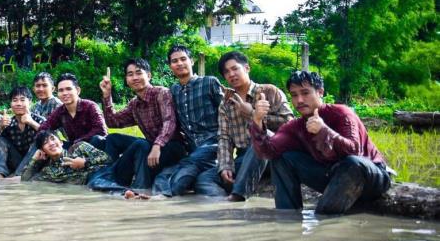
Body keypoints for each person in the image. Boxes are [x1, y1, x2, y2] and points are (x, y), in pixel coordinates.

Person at [250, 71, 391, 214]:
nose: (299, 100)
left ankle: (323, 218)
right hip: (332, 176)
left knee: (352, 163)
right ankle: (288, 217)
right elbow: (267, 152)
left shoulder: (342, 113)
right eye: (294, 95)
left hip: (370, 177)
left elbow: (354, 151)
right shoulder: (295, 127)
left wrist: (324, 130)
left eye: (305, 93)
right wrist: (257, 121)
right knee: (281, 158)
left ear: (320, 92)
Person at [195, 51, 293, 201]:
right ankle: (220, 203)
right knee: (204, 178)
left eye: (235, 68)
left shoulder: (269, 91)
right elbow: (224, 138)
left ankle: (238, 195)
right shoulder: (226, 104)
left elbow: (290, 123)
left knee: (261, 137)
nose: (231, 74)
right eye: (226, 72)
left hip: (275, 154)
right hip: (244, 158)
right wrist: (225, 166)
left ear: (247, 68)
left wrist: (253, 114)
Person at [88, 59, 187, 196]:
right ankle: (109, 179)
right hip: (150, 146)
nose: (135, 78)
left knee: (141, 145)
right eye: (130, 74)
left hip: (173, 147)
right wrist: (107, 95)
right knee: (113, 139)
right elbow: (113, 122)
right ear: (126, 80)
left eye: (139, 73)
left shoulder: (161, 93)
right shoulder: (134, 104)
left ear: (149, 75)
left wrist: (157, 145)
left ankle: (141, 189)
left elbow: (169, 121)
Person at [151, 45, 224, 198]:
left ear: (192, 61)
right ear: (170, 66)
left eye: (183, 59)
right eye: (174, 61)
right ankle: (154, 199)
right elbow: (169, 120)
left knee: (189, 164)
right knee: (163, 175)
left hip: (214, 145)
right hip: (192, 150)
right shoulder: (174, 90)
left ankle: (163, 198)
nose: (179, 63)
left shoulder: (209, 82)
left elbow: (227, 115)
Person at [25, 73, 107, 150]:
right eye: (61, 90)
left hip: (94, 148)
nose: (64, 93)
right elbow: (44, 128)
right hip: (73, 148)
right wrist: (42, 147)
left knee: (97, 139)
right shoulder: (60, 111)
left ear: (78, 90)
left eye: (68, 89)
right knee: (51, 146)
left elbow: (101, 130)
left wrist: (79, 142)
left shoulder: (90, 106)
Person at [0, 86, 44, 178]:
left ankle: (18, 176)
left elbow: (51, 137)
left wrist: (31, 122)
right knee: (0, 140)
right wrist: (0, 127)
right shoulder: (9, 123)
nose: (19, 104)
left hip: (36, 162)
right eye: (15, 100)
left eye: (22, 100)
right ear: (11, 104)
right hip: (17, 162)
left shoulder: (38, 120)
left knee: (38, 141)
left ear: (30, 102)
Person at [21, 130, 111, 185]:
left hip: (101, 178)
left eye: (53, 139)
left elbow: (107, 158)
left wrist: (85, 163)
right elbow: (25, 180)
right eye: (45, 143)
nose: (51, 143)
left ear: (61, 142)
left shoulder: (80, 147)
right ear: (43, 151)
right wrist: (34, 159)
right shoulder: (48, 171)